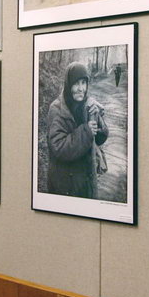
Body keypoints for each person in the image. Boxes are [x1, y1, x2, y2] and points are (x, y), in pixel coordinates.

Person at [46, 62, 109, 199]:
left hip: (86, 182)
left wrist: (97, 117)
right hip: (65, 186)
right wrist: (86, 131)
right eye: (76, 84)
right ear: (68, 85)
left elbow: (100, 139)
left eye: (83, 83)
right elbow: (59, 147)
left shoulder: (87, 104)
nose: (81, 89)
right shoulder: (57, 109)